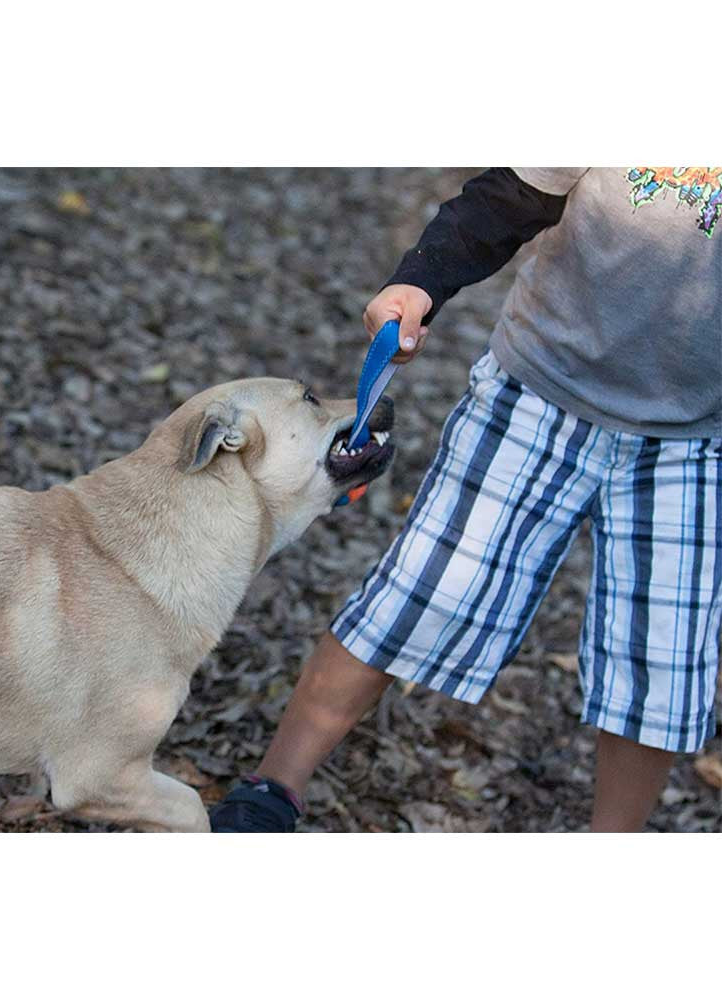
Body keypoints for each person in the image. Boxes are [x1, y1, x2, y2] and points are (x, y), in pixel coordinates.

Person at [209, 167, 722, 833]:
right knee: (422, 591)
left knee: (659, 658)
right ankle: (273, 787)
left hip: (696, 436)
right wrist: (417, 280)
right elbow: (511, 197)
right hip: (542, 390)